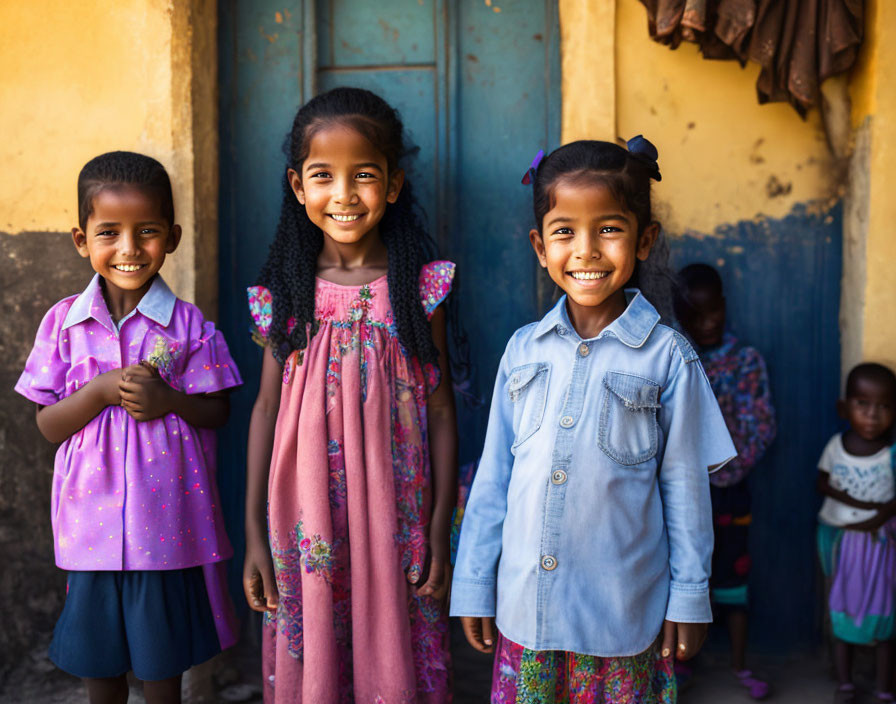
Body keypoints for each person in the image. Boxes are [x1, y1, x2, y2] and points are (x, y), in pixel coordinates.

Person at [451, 137, 735, 703]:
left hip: (622, 617)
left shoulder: (668, 357)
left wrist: (689, 595)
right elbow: (493, 484)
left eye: (608, 229)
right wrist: (474, 583)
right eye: (564, 232)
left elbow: (685, 489)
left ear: (644, 239)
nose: (586, 250)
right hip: (527, 613)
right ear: (539, 246)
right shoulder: (522, 351)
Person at [243, 87, 457, 703]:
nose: (343, 194)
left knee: (394, 637)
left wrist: (441, 526)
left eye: (363, 175)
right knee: (317, 647)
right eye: (323, 176)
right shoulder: (283, 295)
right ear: (297, 185)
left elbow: (440, 409)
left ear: (392, 185)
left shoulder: (422, 289)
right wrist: (255, 532)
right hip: (304, 514)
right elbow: (264, 410)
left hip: (400, 515)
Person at [15, 152, 242, 704]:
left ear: (173, 236)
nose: (128, 249)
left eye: (146, 232)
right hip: (89, 528)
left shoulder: (188, 326)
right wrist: (95, 391)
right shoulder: (63, 325)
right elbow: (47, 426)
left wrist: (168, 399)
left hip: (164, 525)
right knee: (101, 664)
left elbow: (218, 413)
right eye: (109, 233)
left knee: (161, 664)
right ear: (80, 239)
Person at [674, 263, 776, 699]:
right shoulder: (675, 358)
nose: (706, 323)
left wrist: (723, 470)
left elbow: (763, 426)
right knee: (683, 578)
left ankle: (739, 665)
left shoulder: (746, 360)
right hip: (682, 493)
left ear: (724, 307)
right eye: (694, 316)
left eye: (712, 312)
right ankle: (680, 666)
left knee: (733, 576)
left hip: (731, 492)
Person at [816, 363, 896, 704]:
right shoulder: (836, 446)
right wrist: (850, 501)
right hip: (840, 542)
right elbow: (821, 481)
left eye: (884, 406)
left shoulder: (890, 453)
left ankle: (883, 688)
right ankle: (845, 682)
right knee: (840, 607)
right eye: (863, 404)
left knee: (885, 613)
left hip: (878, 548)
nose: (873, 415)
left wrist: (877, 518)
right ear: (844, 408)